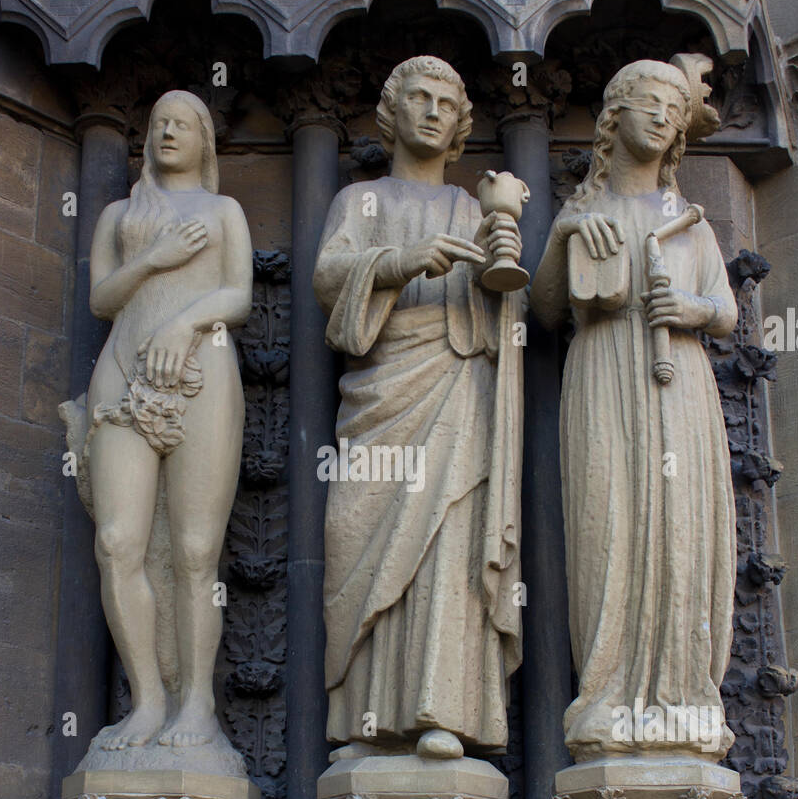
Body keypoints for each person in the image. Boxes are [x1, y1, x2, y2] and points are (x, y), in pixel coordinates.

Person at [313, 56, 525, 760]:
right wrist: (403, 261)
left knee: (446, 544)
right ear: (391, 112)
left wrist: (502, 262)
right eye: (419, 98)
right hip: (383, 388)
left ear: (462, 124)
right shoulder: (360, 200)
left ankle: (444, 710)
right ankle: (361, 722)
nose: (433, 111)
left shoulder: (471, 207)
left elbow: (504, 316)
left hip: (457, 384)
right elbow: (327, 275)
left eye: (446, 102)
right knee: (360, 536)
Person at [530, 58, 737, 760]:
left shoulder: (689, 220)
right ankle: (610, 692)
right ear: (613, 119)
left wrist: (691, 308)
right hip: (603, 375)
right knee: (608, 524)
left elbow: (728, 311)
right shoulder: (584, 213)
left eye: (673, 111)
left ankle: (682, 696)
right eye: (647, 103)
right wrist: (561, 241)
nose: (661, 116)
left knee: (680, 529)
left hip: (678, 382)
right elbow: (547, 308)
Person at [81, 90, 252, 756]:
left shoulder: (223, 210)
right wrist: (152, 258)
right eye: (158, 124)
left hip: (202, 375)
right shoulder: (121, 215)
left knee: (193, 549)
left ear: (205, 141)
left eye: (183, 123)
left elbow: (237, 294)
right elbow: (101, 298)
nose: (169, 132)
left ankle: (197, 705)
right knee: (118, 542)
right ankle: (148, 699)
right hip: (122, 372)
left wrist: (186, 320)